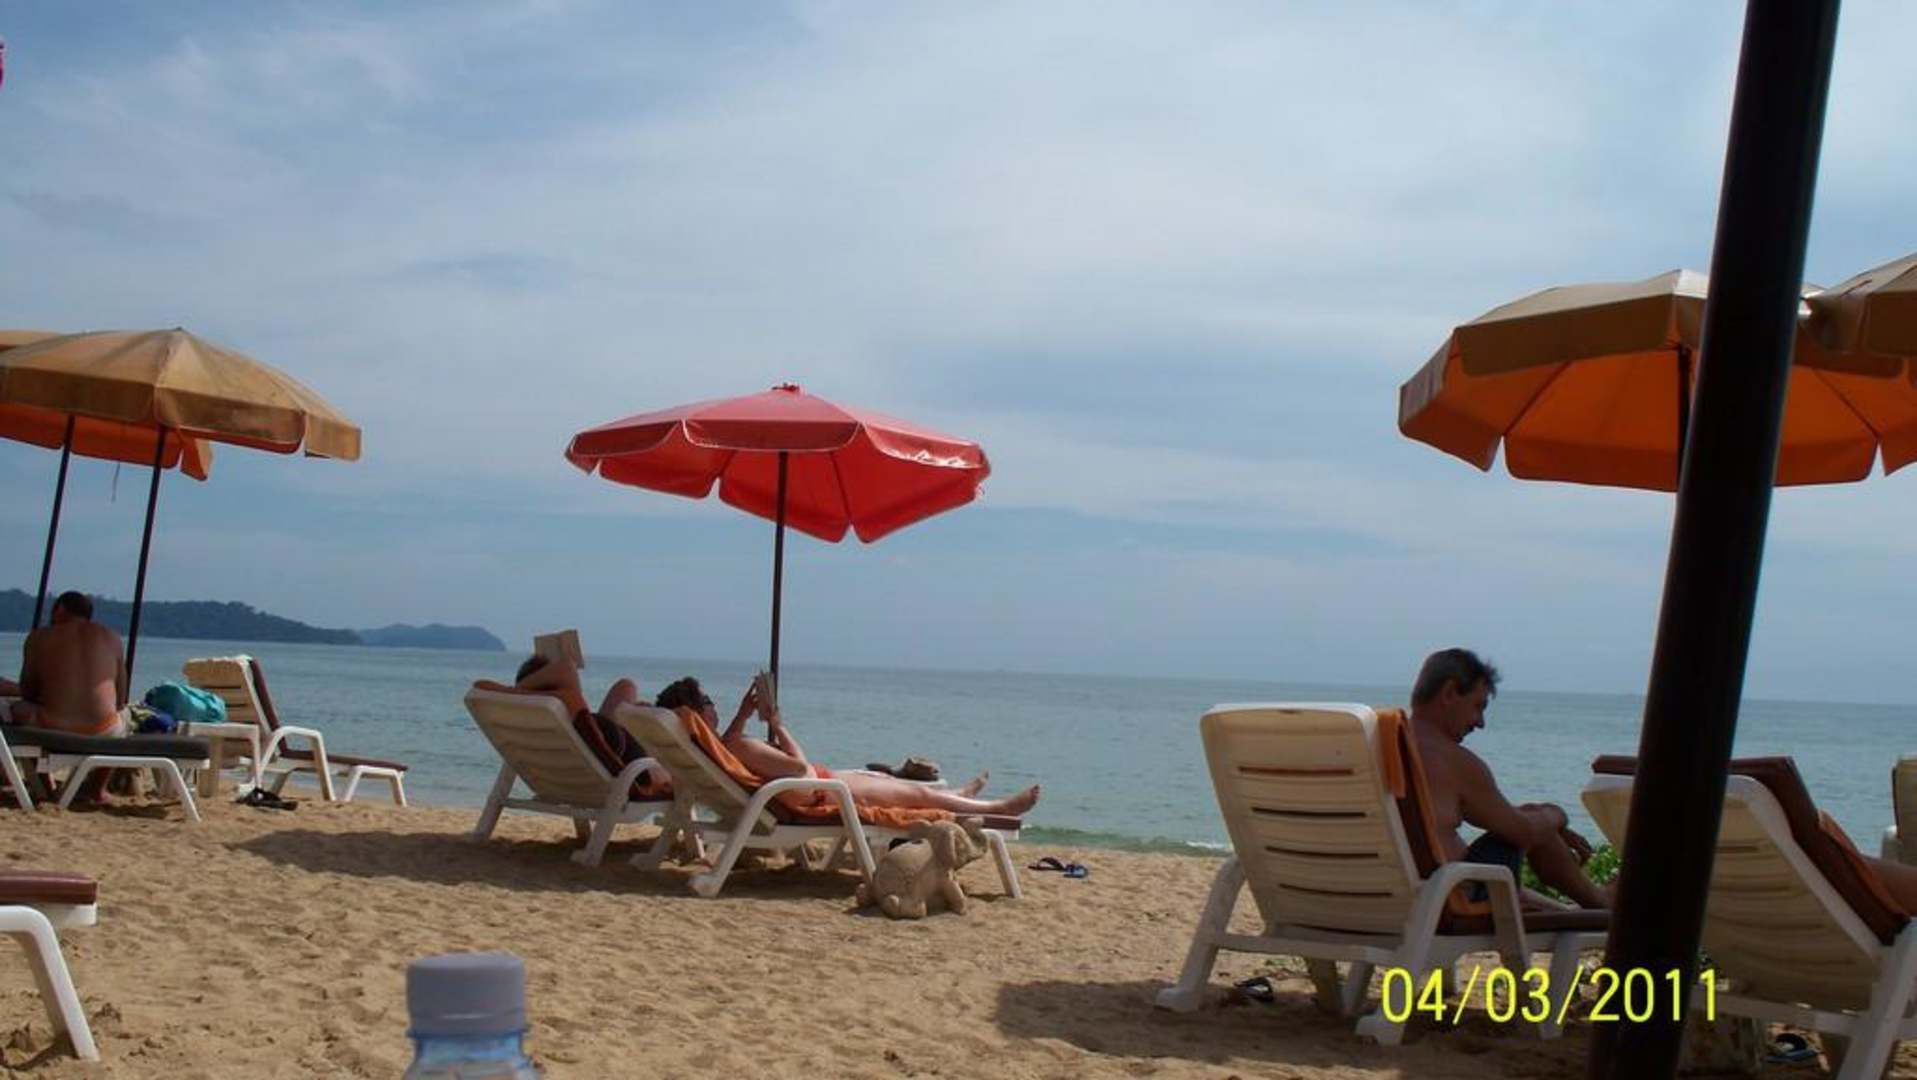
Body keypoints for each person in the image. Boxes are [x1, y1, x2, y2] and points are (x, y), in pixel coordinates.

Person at [654, 676, 1040, 817]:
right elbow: (797, 768)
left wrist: (762, 722)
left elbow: (791, 768)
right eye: (707, 701)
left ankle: (960, 795)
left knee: (904, 788)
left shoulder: (726, 748)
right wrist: (775, 727)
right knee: (917, 795)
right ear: (699, 713)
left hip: (820, 785)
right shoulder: (738, 747)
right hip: (823, 790)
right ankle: (997, 809)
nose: (714, 705)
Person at [1408, 647, 1608, 910]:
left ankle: (1575, 908)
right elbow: (1525, 832)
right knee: (1533, 824)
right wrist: (1557, 815)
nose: (1480, 723)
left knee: (1528, 818)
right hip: (1445, 904)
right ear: (1449, 693)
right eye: (1478, 706)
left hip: (1393, 898)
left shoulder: (1380, 748)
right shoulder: (1451, 760)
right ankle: (1601, 903)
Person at [11, 591, 127, 737]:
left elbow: (28, 693)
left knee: (18, 708)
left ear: (60, 609)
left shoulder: (39, 637)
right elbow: (121, 700)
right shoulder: (111, 637)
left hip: (54, 728)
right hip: (105, 729)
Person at [512, 653, 649, 772]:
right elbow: (567, 667)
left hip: (600, 748)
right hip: (630, 771)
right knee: (627, 687)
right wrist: (516, 691)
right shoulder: (571, 711)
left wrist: (517, 694)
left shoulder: (541, 730)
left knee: (626, 685)